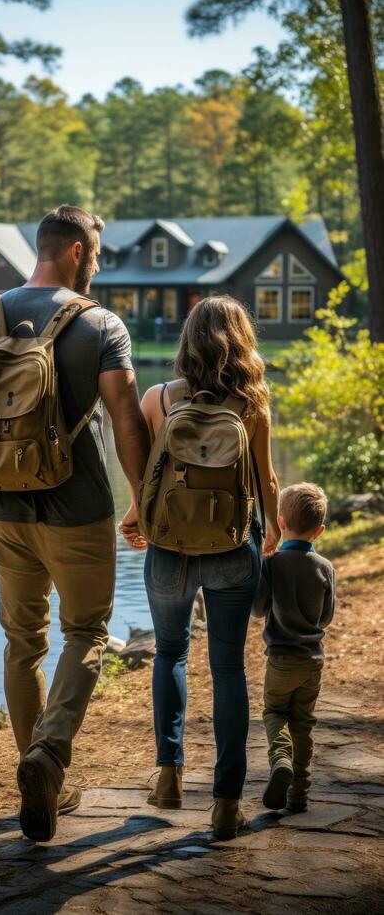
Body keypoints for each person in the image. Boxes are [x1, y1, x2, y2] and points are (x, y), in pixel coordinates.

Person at [0, 204, 150, 843]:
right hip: (79, 509)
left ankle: (33, 765)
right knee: (86, 630)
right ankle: (49, 757)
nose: (99, 267)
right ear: (79, 252)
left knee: (22, 639)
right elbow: (128, 420)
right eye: (99, 256)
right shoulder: (101, 324)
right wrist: (140, 500)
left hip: (2, 507)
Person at [121, 295, 280, 840]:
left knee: (169, 653)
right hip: (233, 547)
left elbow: (148, 477)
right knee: (229, 668)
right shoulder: (253, 402)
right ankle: (227, 804)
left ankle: (168, 776)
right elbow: (267, 482)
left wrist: (135, 515)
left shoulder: (157, 399)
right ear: (242, 343)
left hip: (169, 547)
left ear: (187, 343)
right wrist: (275, 531)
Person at [252, 482, 335, 813]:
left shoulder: (272, 565)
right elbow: (325, 617)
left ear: (280, 522)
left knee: (274, 712)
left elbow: (258, 609)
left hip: (280, 659)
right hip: (312, 662)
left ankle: (280, 758)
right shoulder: (325, 568)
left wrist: (258, 564)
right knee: (304, 722)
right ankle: (299, 794)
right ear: (320, 531)